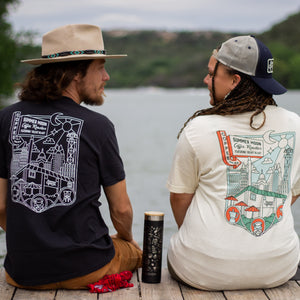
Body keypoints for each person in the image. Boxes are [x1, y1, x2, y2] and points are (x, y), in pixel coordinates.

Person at [0, 24, 142, 289]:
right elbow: (121, 209)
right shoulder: (98, 126)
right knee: (135, 254)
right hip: (85, 268)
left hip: (21, 273)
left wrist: (33, 241)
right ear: (76, 73)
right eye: (100, 67)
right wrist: (126, 238)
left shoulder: (6, 118)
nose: (106, 76)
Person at [167, 35, 300, 290]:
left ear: (234, 81)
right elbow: (288, 193)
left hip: (201, 271)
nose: (206, 81)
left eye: (211, 74)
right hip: (279, 268)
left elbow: (179, 199)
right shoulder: (295, 125)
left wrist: (208, 238)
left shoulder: (198, 129)